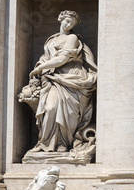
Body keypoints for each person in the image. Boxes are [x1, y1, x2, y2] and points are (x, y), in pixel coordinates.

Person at [20, 10, 97, 154]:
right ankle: (45, 143)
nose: (68, 25)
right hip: (52, 78)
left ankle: (63, 144)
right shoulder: (51, 40)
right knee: (50, 108)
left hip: (70, 77)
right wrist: (40, 66)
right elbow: (47, 57)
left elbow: (62, 59)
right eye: (67, 21)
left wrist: (41, 67)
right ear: (60, 19)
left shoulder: (72, 38)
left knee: (67, 112)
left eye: (72, 24)